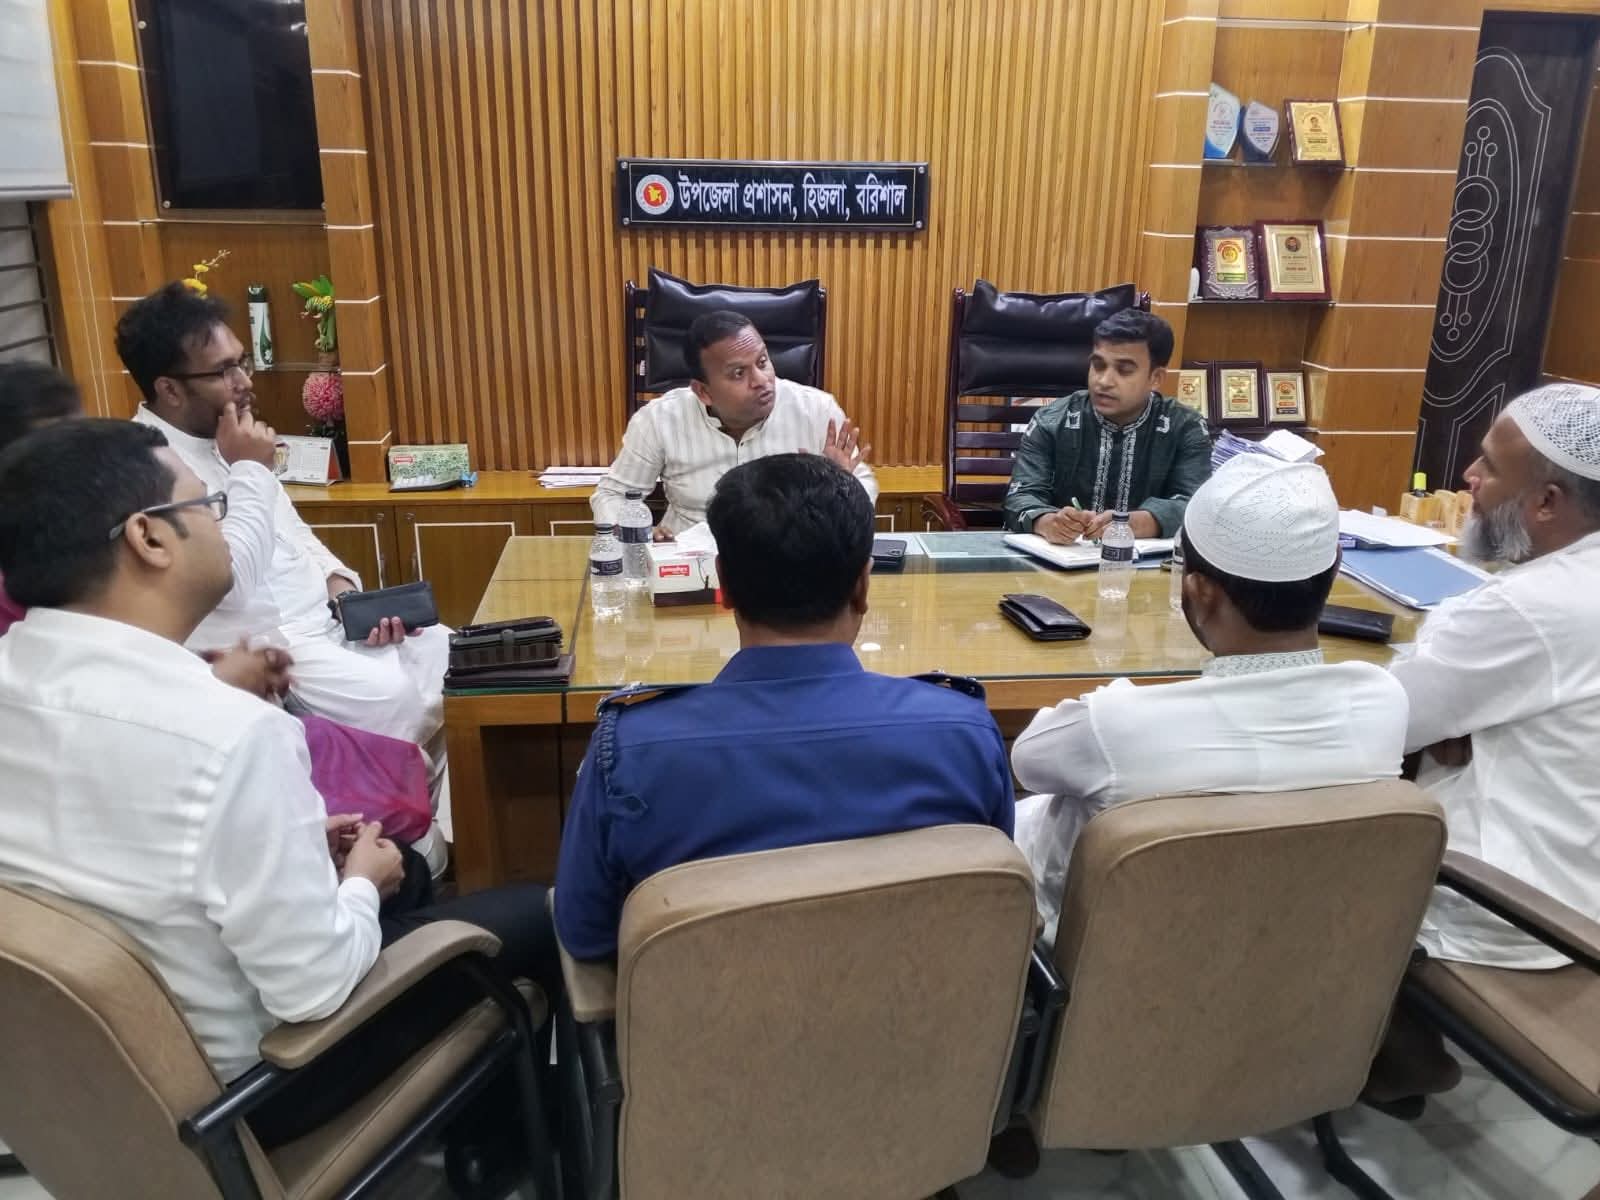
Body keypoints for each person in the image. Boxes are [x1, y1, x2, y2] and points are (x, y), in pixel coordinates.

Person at [0, 419, 558, 1154]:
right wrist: (359, 885)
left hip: (90, 1080)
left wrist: (303, 848)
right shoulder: (228, 732)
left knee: (409, 868)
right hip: (252, 1086)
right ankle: (507, 1150)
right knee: (540, 913)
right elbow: (314, 987)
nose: (222, 524)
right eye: (210, 506)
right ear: (149, 538)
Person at [556, 452, 1014, 960]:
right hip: (923, 1005)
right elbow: (990, 907)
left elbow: (586, 936)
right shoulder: (965, 732)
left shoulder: (632, 749)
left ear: (724, 585)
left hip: (709, 1011)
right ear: (863, 585)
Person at [0, 362, 434, 843]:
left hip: (252, 676)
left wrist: (337, 592)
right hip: (264, 677)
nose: (243, 382)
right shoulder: (135, 503)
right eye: (207, 508)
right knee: (397, 730)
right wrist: (356, 876)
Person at [117, 282, 452, 868]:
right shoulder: (151, 467)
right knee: (394, 695)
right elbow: (228, 581)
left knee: (454, 654)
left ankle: (442, 833)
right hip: (271, 648)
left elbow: (295, 534)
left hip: (326, 622)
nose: (244, 382)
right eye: (223, 371)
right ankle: (403, 833)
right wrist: (249, 469)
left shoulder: (230, 437)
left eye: (242, 362)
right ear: (168, 388)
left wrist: (342, 588)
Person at [1011, 454, 1409, 946]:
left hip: (1107, 969)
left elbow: (1026, 760)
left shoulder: (1119, 726)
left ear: (1199, 592)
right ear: (1335, 571)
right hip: (1302, 967)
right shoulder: (1381, 702)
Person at [1391, 382, 1600, 969]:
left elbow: (1391, 718)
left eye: (1489, 466)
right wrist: (1457, 719)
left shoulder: (1535, 606)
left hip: (1504, 913)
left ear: (1547, 502)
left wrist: (1443, 724)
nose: (1469, 476)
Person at [589, 310, 878, 538]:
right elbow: (612, 495)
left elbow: (863, 486)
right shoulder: (659, 419)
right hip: (690, 563)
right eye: (739, 373)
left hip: (789, 558)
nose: (762, 380)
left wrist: (839, 488)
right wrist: (639, 535)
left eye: (762, 361)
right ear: (704, 391)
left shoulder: (816, 410)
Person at [1003, 308, 1211, 542]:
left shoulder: (1185, 427)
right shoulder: (1051, 421)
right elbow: (1020, 496)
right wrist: (1047, 522)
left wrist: (1141, 523)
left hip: (1147, 562)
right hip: (1061, 558)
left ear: (1156, 378)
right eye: (1098, 365)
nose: (1103, 381)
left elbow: (1198, 506)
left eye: (1124, 370)